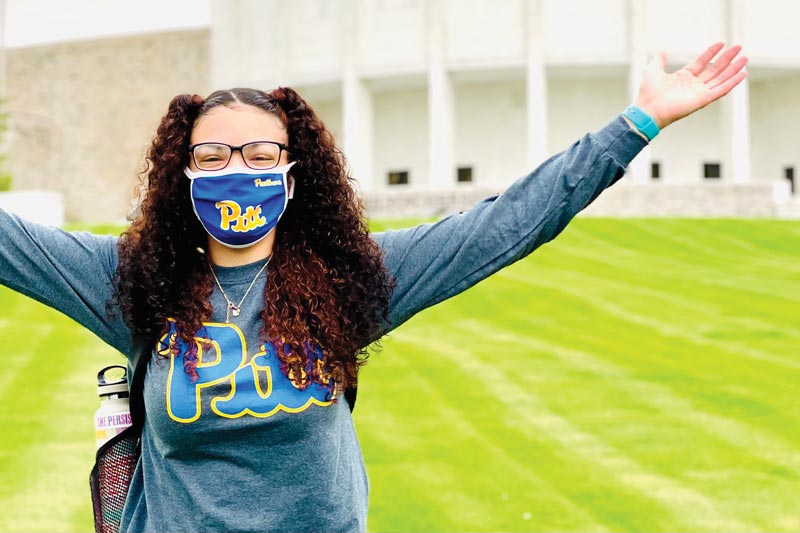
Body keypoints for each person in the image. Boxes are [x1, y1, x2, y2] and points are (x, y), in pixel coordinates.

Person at [0, 42, 747, 532]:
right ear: (183, 173)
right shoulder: (137, 283)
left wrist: (640, 121)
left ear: (293, 174)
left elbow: (508, 224)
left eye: (260, 151)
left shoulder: (346, 281)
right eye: (215, 154)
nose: (237, 169)